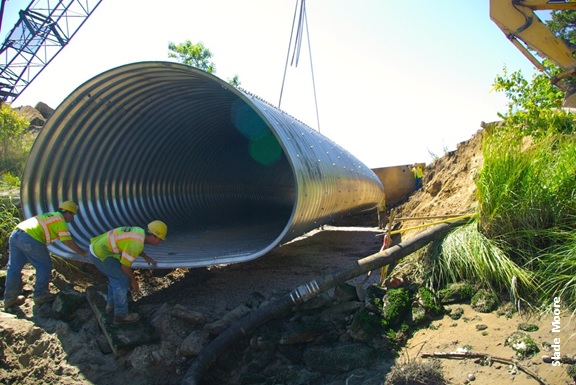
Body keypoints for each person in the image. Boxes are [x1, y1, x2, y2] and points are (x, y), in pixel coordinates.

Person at [4, 200, 88, 310]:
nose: (72, 219)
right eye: (73, 215)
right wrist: (83, 253)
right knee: (44, 266)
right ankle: (40, 295)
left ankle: (9, 300)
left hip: (16, 234)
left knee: (14, 268)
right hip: (31, 238)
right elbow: (68, 242)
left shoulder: (49, 215)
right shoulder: (60, 221)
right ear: (69, 213)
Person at [88, 220, 167, 324]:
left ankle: (110, 306)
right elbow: (125, 266)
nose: (159, 242)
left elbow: (133, 246)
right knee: (122, 280)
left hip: (98, 249)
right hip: (100, 255)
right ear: (153, 237)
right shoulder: (136, 244)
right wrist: (134, 281)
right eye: (160, 240)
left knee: (115, 278)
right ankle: (120, 316)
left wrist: (146, 257)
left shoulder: (139, 232)